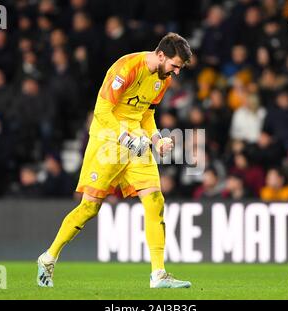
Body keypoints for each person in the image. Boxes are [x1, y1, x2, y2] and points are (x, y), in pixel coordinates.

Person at [37, 33, 192, 289]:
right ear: (161, 55)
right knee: (90, 208)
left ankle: (158, 274)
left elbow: (146, 114)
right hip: (107, 140)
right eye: (175, 66)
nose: (176, 73)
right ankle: (48, 258)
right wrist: (125, 137)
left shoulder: (162, 79)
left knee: (155, 200)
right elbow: (101, 111)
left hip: (136, 141)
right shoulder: (126, 67)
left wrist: (156, 138)